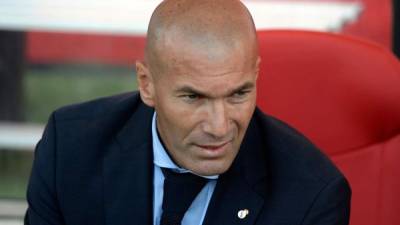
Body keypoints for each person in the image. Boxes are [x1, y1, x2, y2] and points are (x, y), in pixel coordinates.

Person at [25, 0, 351, 225]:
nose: (220, 127)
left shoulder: (312, 194)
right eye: (193, 97)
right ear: (147, 84)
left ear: (256, 75)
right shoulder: (70, 149)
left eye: (239, 93)